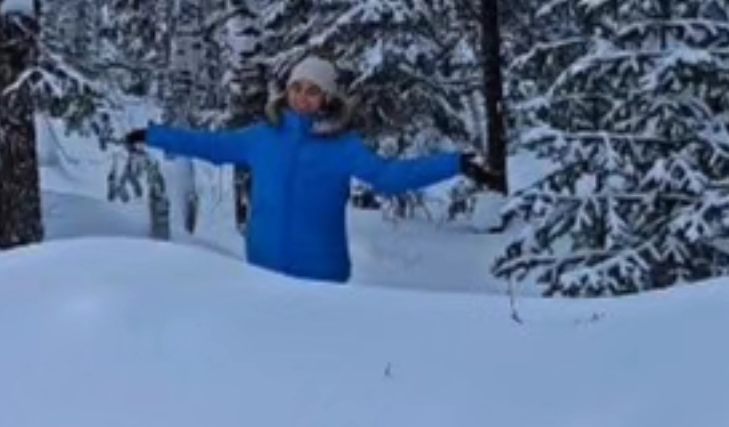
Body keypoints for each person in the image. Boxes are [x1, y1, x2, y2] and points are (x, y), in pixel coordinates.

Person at [123, 54, 500, 285]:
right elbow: (210, 146)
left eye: (313, 91)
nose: (303, 97)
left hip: (321, 278)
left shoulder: (342, 147)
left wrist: (457, 164)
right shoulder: (262, 138)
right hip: (262, 272)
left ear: (327, 99)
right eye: (297, 88)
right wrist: (154, 135)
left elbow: (390, 177)